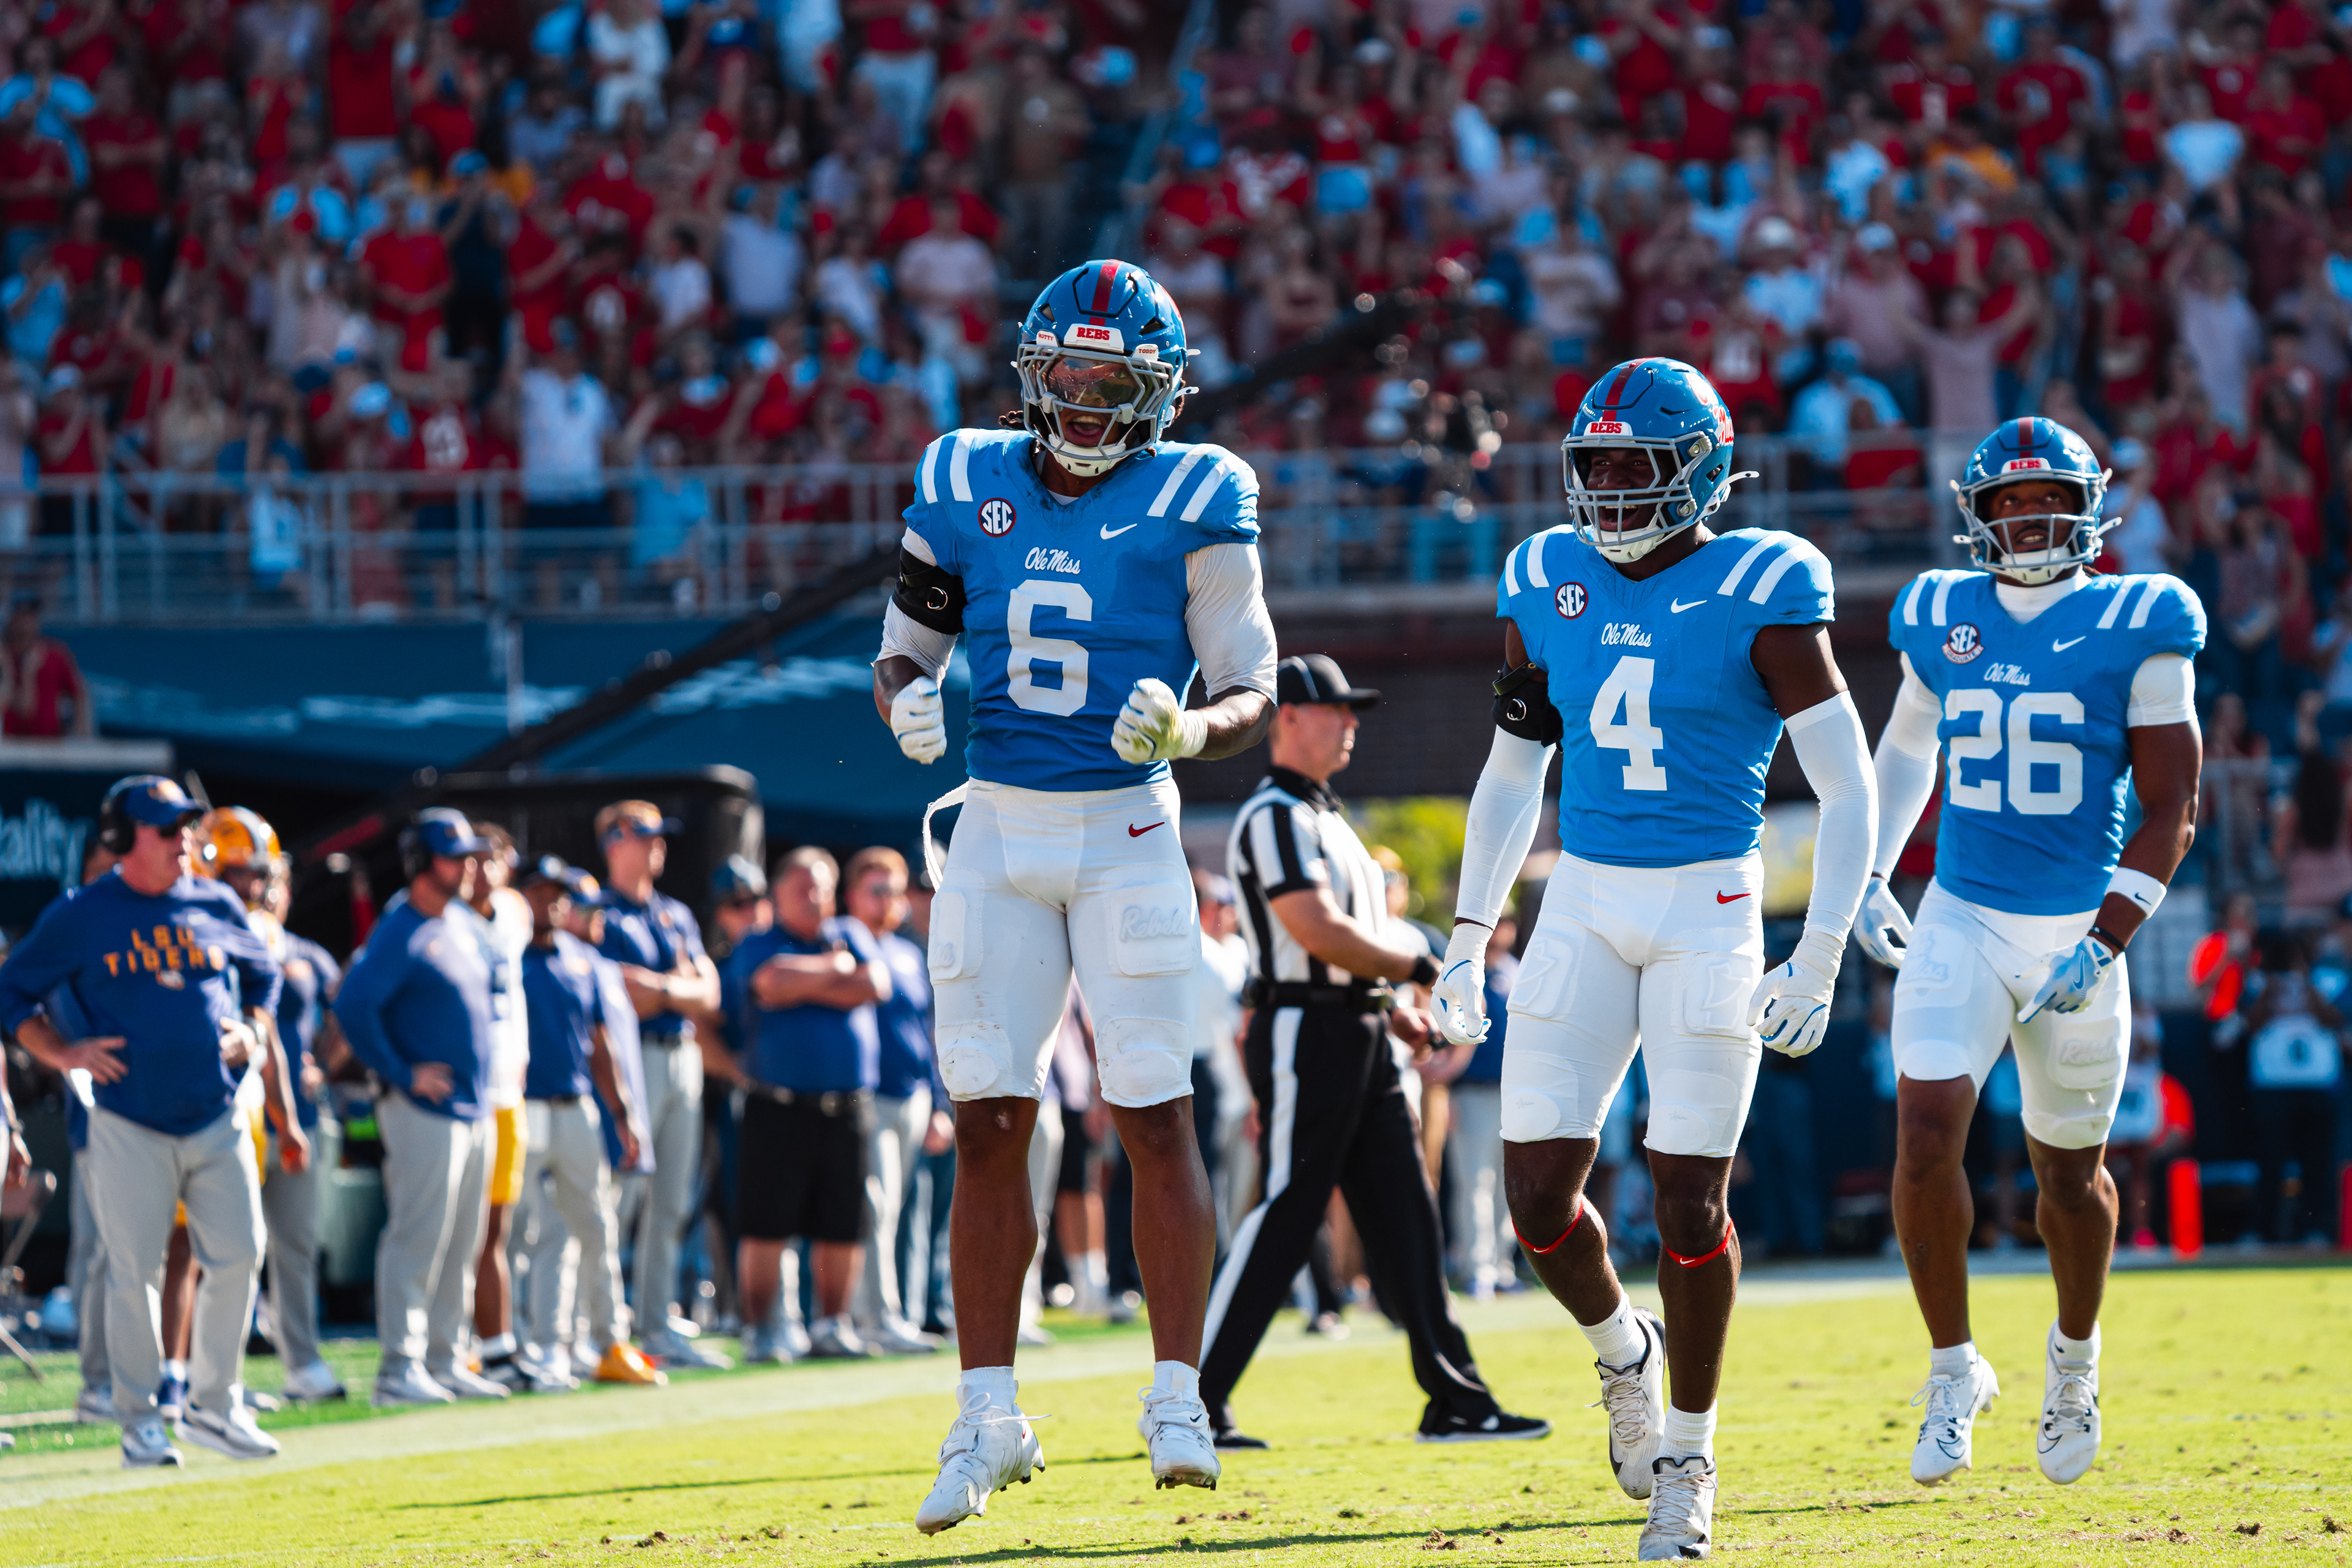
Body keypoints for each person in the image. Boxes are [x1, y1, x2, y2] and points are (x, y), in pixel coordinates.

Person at [1432, 356, 1875, 1560]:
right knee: (1536, 1199)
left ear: (1703, 471)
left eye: (1640, 465)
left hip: (1710, 901)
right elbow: (1513, 772)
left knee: (1689, 1197)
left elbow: (1848, 786)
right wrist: (1466, 941)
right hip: (1583, 894)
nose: (1615, 488)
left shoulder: (1764, 579)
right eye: (1600, 465)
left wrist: (1819, 952)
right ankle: (1625, 1351)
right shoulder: (1544, 573)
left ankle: (1689, 1455)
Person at [871, 260, 1280, 1529]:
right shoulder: (962, 475)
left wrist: (1193, 731)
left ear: (1159, 393)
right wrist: (905, 701)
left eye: (1113, 382)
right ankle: (987, 1414)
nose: (1088, 402)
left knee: (1154, 1112)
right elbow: (903, 649)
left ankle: (1179, 1394)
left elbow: (1252, 684)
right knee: (988, 1119)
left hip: (1129, 830)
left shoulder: (1200, 493)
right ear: (1033, 373)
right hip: (996, 828)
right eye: (1070, 375)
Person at [1856, 416, 2204, 1489]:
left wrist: (2109, 941)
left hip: (2078, 928)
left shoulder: (2140, 616)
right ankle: (1953, 1371)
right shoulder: (1941, 612)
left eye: (2048, 498)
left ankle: (2074, 1360)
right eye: (2008, 502)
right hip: (1962, 912)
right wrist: (1871, 871)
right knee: (1925, 1134)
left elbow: (2173, 806)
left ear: (2088, 509)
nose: (2029, 518)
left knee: (2070, 1175)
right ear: (1979, 516)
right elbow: (1906, 748)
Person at [1207, 654, 1550, 1451]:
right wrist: (1422, 968)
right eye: (1336, 710)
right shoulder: (1273, 815)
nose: (1351, 724)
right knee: (1287, 1211)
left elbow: (1341, 948)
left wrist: (1389, 1008)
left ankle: (1456, 1397)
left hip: (1354, 1028)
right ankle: (1192, 1399)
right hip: (1303, 1032)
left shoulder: (1325, 818)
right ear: (1290, 718)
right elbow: (1316, 930)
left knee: (1407, 1216)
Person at [0, 775, 300, 1466]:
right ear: (120, 839)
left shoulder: (215, 900)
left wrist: (254, 1031)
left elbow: (264, 975)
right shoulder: (84, 912)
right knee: (134, 1272)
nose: (184, 840)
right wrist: (61, 1052)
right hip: (129, 1120)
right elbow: (12, 991)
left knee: (241, 1252)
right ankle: (139, 1419)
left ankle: (214, 1405)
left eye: (186, 828)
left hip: (215, 1112)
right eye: (167, 829)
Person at [334, 808, 512, 1407]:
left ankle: (445, 1357)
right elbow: (354, 1005)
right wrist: (402, 1071)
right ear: (423, 863)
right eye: (455, 857)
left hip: (473, 1105)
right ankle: (399, 1367)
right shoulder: (401, 927)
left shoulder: (462, 922)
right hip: (423, 1109)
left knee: (463, 1241)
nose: (469, 867)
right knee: (419, 1237)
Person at [192, 806, 347, 1404]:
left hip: (274, 1107)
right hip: (216, 1107)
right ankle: (206, 1377)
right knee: (224, 1250)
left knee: (288, 1244)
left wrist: (312, 1078)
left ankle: (296, 1362)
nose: (256, 887)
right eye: (242, 872)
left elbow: (276, 1033)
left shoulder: (283, 942)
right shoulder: (196, 925)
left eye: (261, 874)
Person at [720, 847, 891, 1359]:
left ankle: (832, 1325)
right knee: (767, 1225)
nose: (814, 897)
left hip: (847, 1106)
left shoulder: (851, 932)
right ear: (778, 893)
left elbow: (875, 985)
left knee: (843, 1224)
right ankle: (760, 1329)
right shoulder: (760, 941)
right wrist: (836, 969)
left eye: (822, 887)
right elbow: (771, 985)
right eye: (802, 888)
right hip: (778, 1105)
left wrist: (806, 983)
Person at [514, 857, 664, 1384]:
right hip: (523, 1105)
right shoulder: (506, 954)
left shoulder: (583, 961)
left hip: (576, 1105)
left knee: (596, 1226)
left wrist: (622, 1113)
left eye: (557, 895)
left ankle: (608, 1342)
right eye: (538, 893)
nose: (550, 904)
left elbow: (602, 1044)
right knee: (522, 1232)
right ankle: (520, 1344)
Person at [594, 799, 728, 1371]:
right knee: (620, 1198)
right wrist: (678, 989)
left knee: (672, 1200)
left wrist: (664, 990)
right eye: (644, 834)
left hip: (681, 1055)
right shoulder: (601, 911)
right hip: (633, 1057)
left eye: (659, 835)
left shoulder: (674, 912)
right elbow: (615, 991)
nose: (658, 845)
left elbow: (710, 992)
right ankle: (602, 1326)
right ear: (614, 841)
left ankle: (655, 1322)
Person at [844, 845, 949, 1354]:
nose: (888, 900)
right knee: (877, 1206)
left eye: (894, 890)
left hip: (914, 1096)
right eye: (877, 889)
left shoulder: (909, 952)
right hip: (870, 1094)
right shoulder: (845, 941)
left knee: (904, 1210)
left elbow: (925, 1034)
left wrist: (938, 1104)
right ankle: (875, 1317)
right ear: (853, 895)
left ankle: (898, 1313)